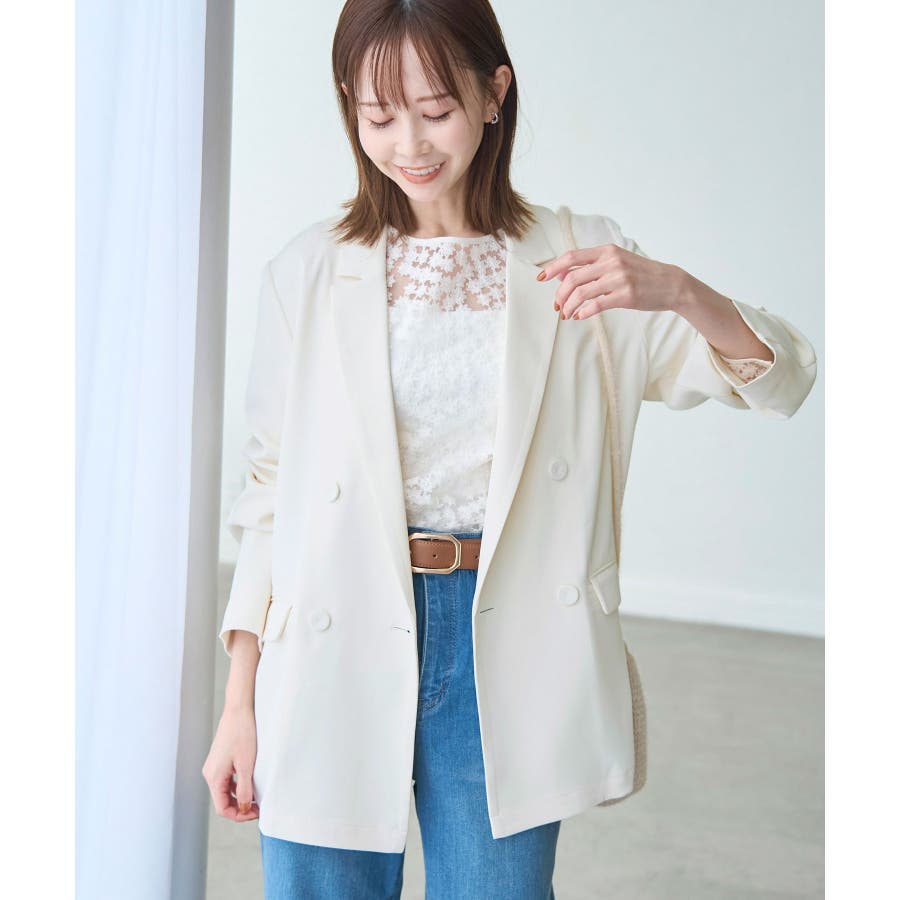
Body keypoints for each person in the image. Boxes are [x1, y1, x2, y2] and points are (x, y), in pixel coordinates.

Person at [202, 1, 817, 897]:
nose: (410, 144)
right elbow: (268, 492)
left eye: (436, 109)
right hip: (334, 631)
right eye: (379, 116)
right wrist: (238, 704)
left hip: (505, 632)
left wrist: (679, 290)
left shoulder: (584, 258)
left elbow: (780, 379)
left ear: (495, 92)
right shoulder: (307, 271)